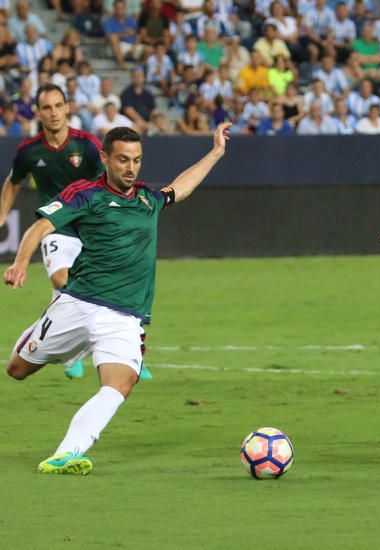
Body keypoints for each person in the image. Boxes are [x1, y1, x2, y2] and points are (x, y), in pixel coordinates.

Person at [3, 122, 232, 475]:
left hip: (124, 316)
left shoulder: (147, 199)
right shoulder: (85, 194)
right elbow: (41, 226)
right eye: (123, 160)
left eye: (137, 160)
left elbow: (180, 189)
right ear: (106, 158)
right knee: (17, 369)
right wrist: (20, 263)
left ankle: (67, 453)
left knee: (121, 382)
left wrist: (216, 153)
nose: (130, 168)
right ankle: (38, 332)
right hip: (77, 305)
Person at [0, 84, 152, 382]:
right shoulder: (29, 151)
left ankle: (119, 344)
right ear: (38, 112)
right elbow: (13, 180)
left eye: (58, 106)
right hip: (57, 228)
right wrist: (3, 212)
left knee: (102, 288)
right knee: (60, 277)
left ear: (67, 108)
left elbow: (113, 180)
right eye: (47, 107)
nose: (54, 113)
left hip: (92, 229)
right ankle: (81, 347)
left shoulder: (86, 145)